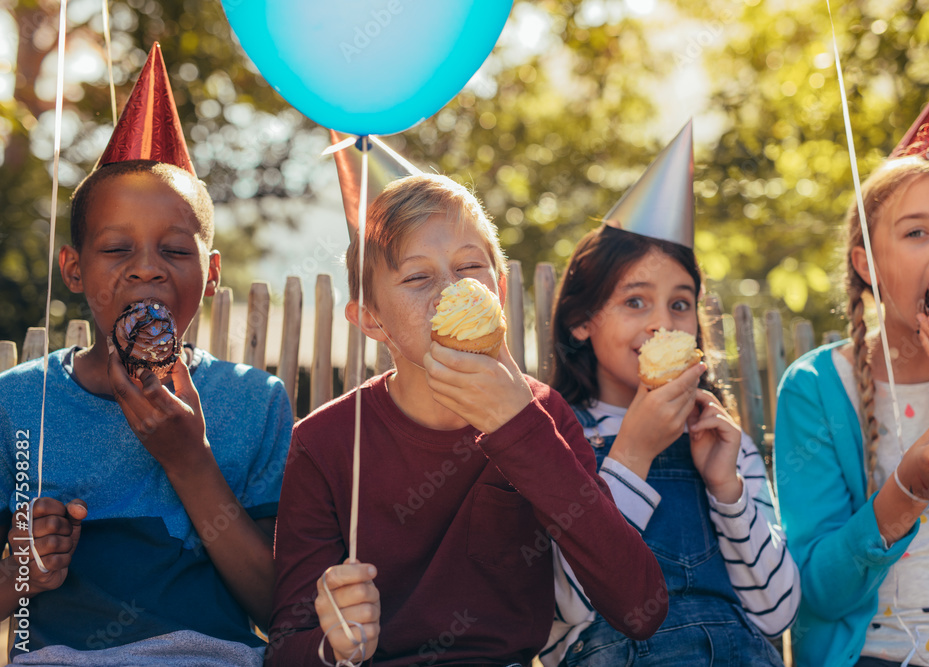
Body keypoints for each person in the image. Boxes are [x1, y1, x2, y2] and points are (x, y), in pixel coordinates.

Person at [267, 172, 668, 666]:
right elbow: (284, 648)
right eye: (417, 277)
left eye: (470, 267)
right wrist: (334, 646)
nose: (451, 291)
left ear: (498, 290)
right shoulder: (324, 441)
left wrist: (517, 426)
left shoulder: (544, 417)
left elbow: (638, 607)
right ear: (371, 318)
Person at [0, 44, 291, 665]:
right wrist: (16, 575)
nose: (146, 272)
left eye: (175, 252)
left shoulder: (254, 402)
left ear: (211, 274)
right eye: (116, 251)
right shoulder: (19, 403)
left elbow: (280, 609)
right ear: (73, 269)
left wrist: (190, 461)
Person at [542, 120, 798, 666]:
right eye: (636, 301)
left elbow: (777, 613)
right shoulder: (554, 439)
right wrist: (631, 454)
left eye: (680, 304)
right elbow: (560, 614)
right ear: (582, 320)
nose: (663, 323)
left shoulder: (724, 440)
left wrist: (725, 486)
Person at [774, 73, 929, 667]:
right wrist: (905, 492)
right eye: (918, 232)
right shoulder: (818, 389)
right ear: (867, 264)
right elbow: (817, 593)